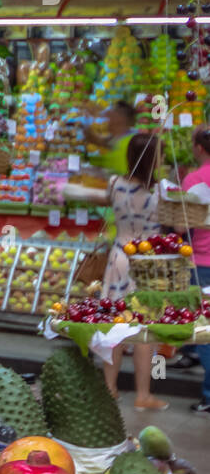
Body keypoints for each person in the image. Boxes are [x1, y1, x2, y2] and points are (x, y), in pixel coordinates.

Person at [66, 133, 168, 411]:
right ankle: (142, 394)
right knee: (146, 329)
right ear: (153, 159)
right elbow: (178, 227)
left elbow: (103, 201)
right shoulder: (161, 190)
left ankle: (110, 388)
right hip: (149, 263)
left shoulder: (115, 184)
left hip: (119, 257)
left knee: (115, 326)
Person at [181, 127, 210, 415]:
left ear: (199, 149)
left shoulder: (194, 179)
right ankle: (188, 353)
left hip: (202, 261)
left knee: (205, 331)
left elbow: (182, 225)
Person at [86, 101, 137, 176]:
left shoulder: (130, 141)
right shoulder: (117, 136)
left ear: (119, 120)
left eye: (111, 118)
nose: (108, 121)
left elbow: (113, 164)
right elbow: (100, 141)